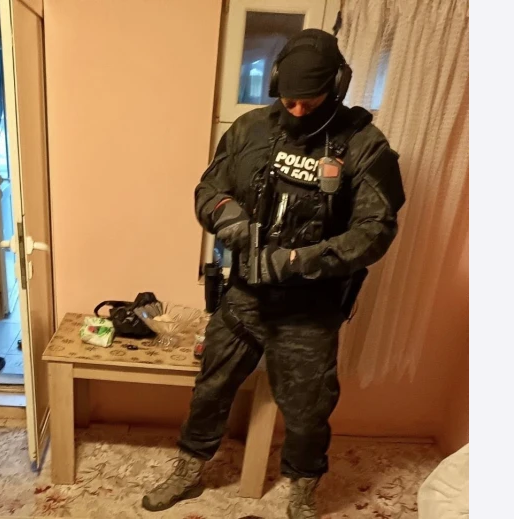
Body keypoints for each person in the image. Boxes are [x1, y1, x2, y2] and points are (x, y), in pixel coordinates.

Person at [142, 29, 406, 518]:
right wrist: (227, 217)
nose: (299, 110)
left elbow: (376, 230)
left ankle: (303, 488)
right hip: (243, 296)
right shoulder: (249, 130)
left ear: (337, 86)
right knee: (210, 389)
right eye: (289, 100)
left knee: (308, 409)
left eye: (311, 101)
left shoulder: (364, 145)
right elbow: (208, 190)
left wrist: (299, 260)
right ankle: (189, 469)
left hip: (310, 308)